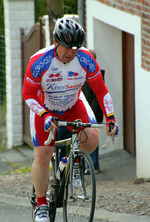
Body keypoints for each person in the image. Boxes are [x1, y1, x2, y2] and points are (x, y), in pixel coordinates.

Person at [22, 17, 118, 222]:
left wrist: (111, 117)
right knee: (43, 155)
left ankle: (71, 161)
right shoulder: (40, 61)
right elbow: (28, 94)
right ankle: (41, 205)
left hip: (73, 104)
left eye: (75, 48)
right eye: (67, 48)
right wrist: (44, 115)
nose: (71, 53)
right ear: (56, 42)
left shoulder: (85, 59)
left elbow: (100, 90)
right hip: (44, 107)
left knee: (92, 136)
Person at [58, 49, 102, 174]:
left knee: (88, 139)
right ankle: (60, 169)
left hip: (88, 114)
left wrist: (93, 116)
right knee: (62, 140)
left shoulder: (95, 75)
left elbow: (97, 99)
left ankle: (90, 166)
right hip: (69, 114)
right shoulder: (74, 73)